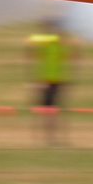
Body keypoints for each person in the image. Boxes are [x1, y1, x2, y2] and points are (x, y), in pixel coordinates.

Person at [25, 18, 77, 146]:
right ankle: (46, 137)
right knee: (49, 110)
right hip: (50, 79)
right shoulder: (55, 43)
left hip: (52, 80)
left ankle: (49, 137)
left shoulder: (50, 43)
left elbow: (30, 54)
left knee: (50, 110)